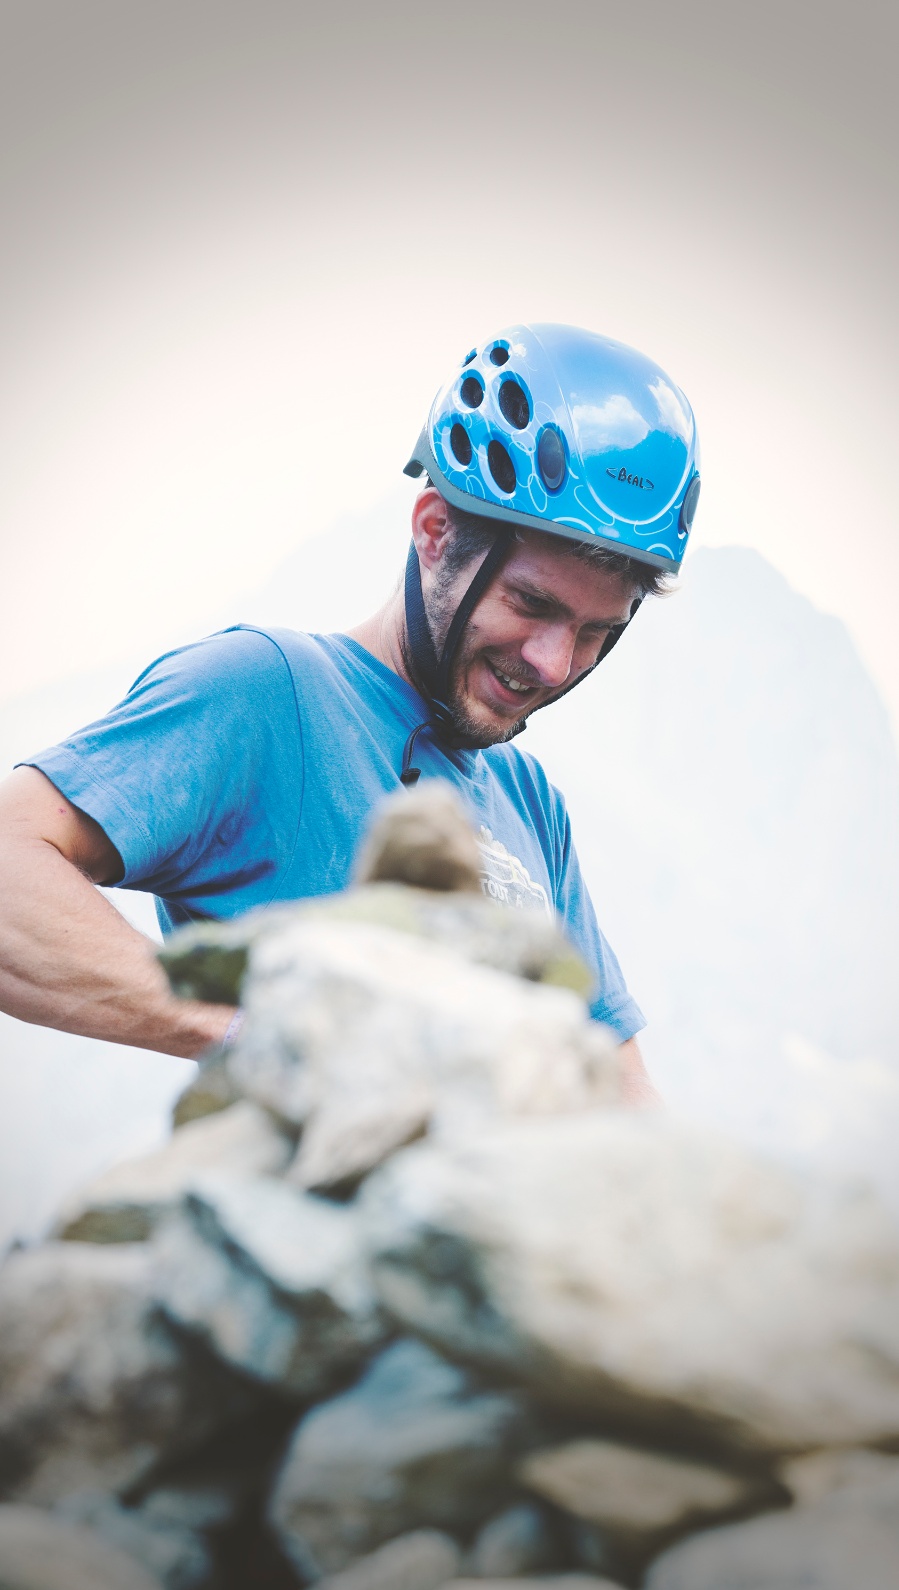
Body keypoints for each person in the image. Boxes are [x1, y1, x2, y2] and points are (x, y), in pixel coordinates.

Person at [0, 323, 700, 1102]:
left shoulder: (530, 803)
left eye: (596, 632)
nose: (552, 662)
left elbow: (622, 1090)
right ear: (435, 531)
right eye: (529, 603)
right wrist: (253, 1040)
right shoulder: (267, 692)